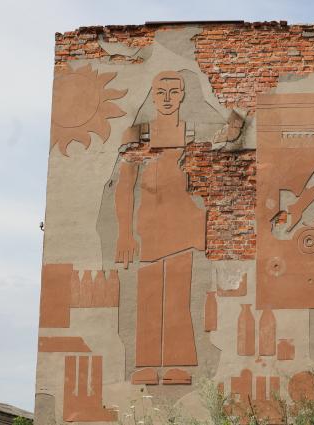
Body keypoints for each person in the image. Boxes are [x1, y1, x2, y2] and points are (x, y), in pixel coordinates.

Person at [114, 71, 205, 382]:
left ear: (182, 95)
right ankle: (147, 364)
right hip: (149, 227)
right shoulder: (137, 135)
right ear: (153, 95)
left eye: (174, 91)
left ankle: (179, 364)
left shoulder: (193, 133)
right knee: (150, 295)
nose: (167, 98)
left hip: (183, 224)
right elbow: (124, 187)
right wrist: (124, 232)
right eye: (161, 92)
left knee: (178, 296)